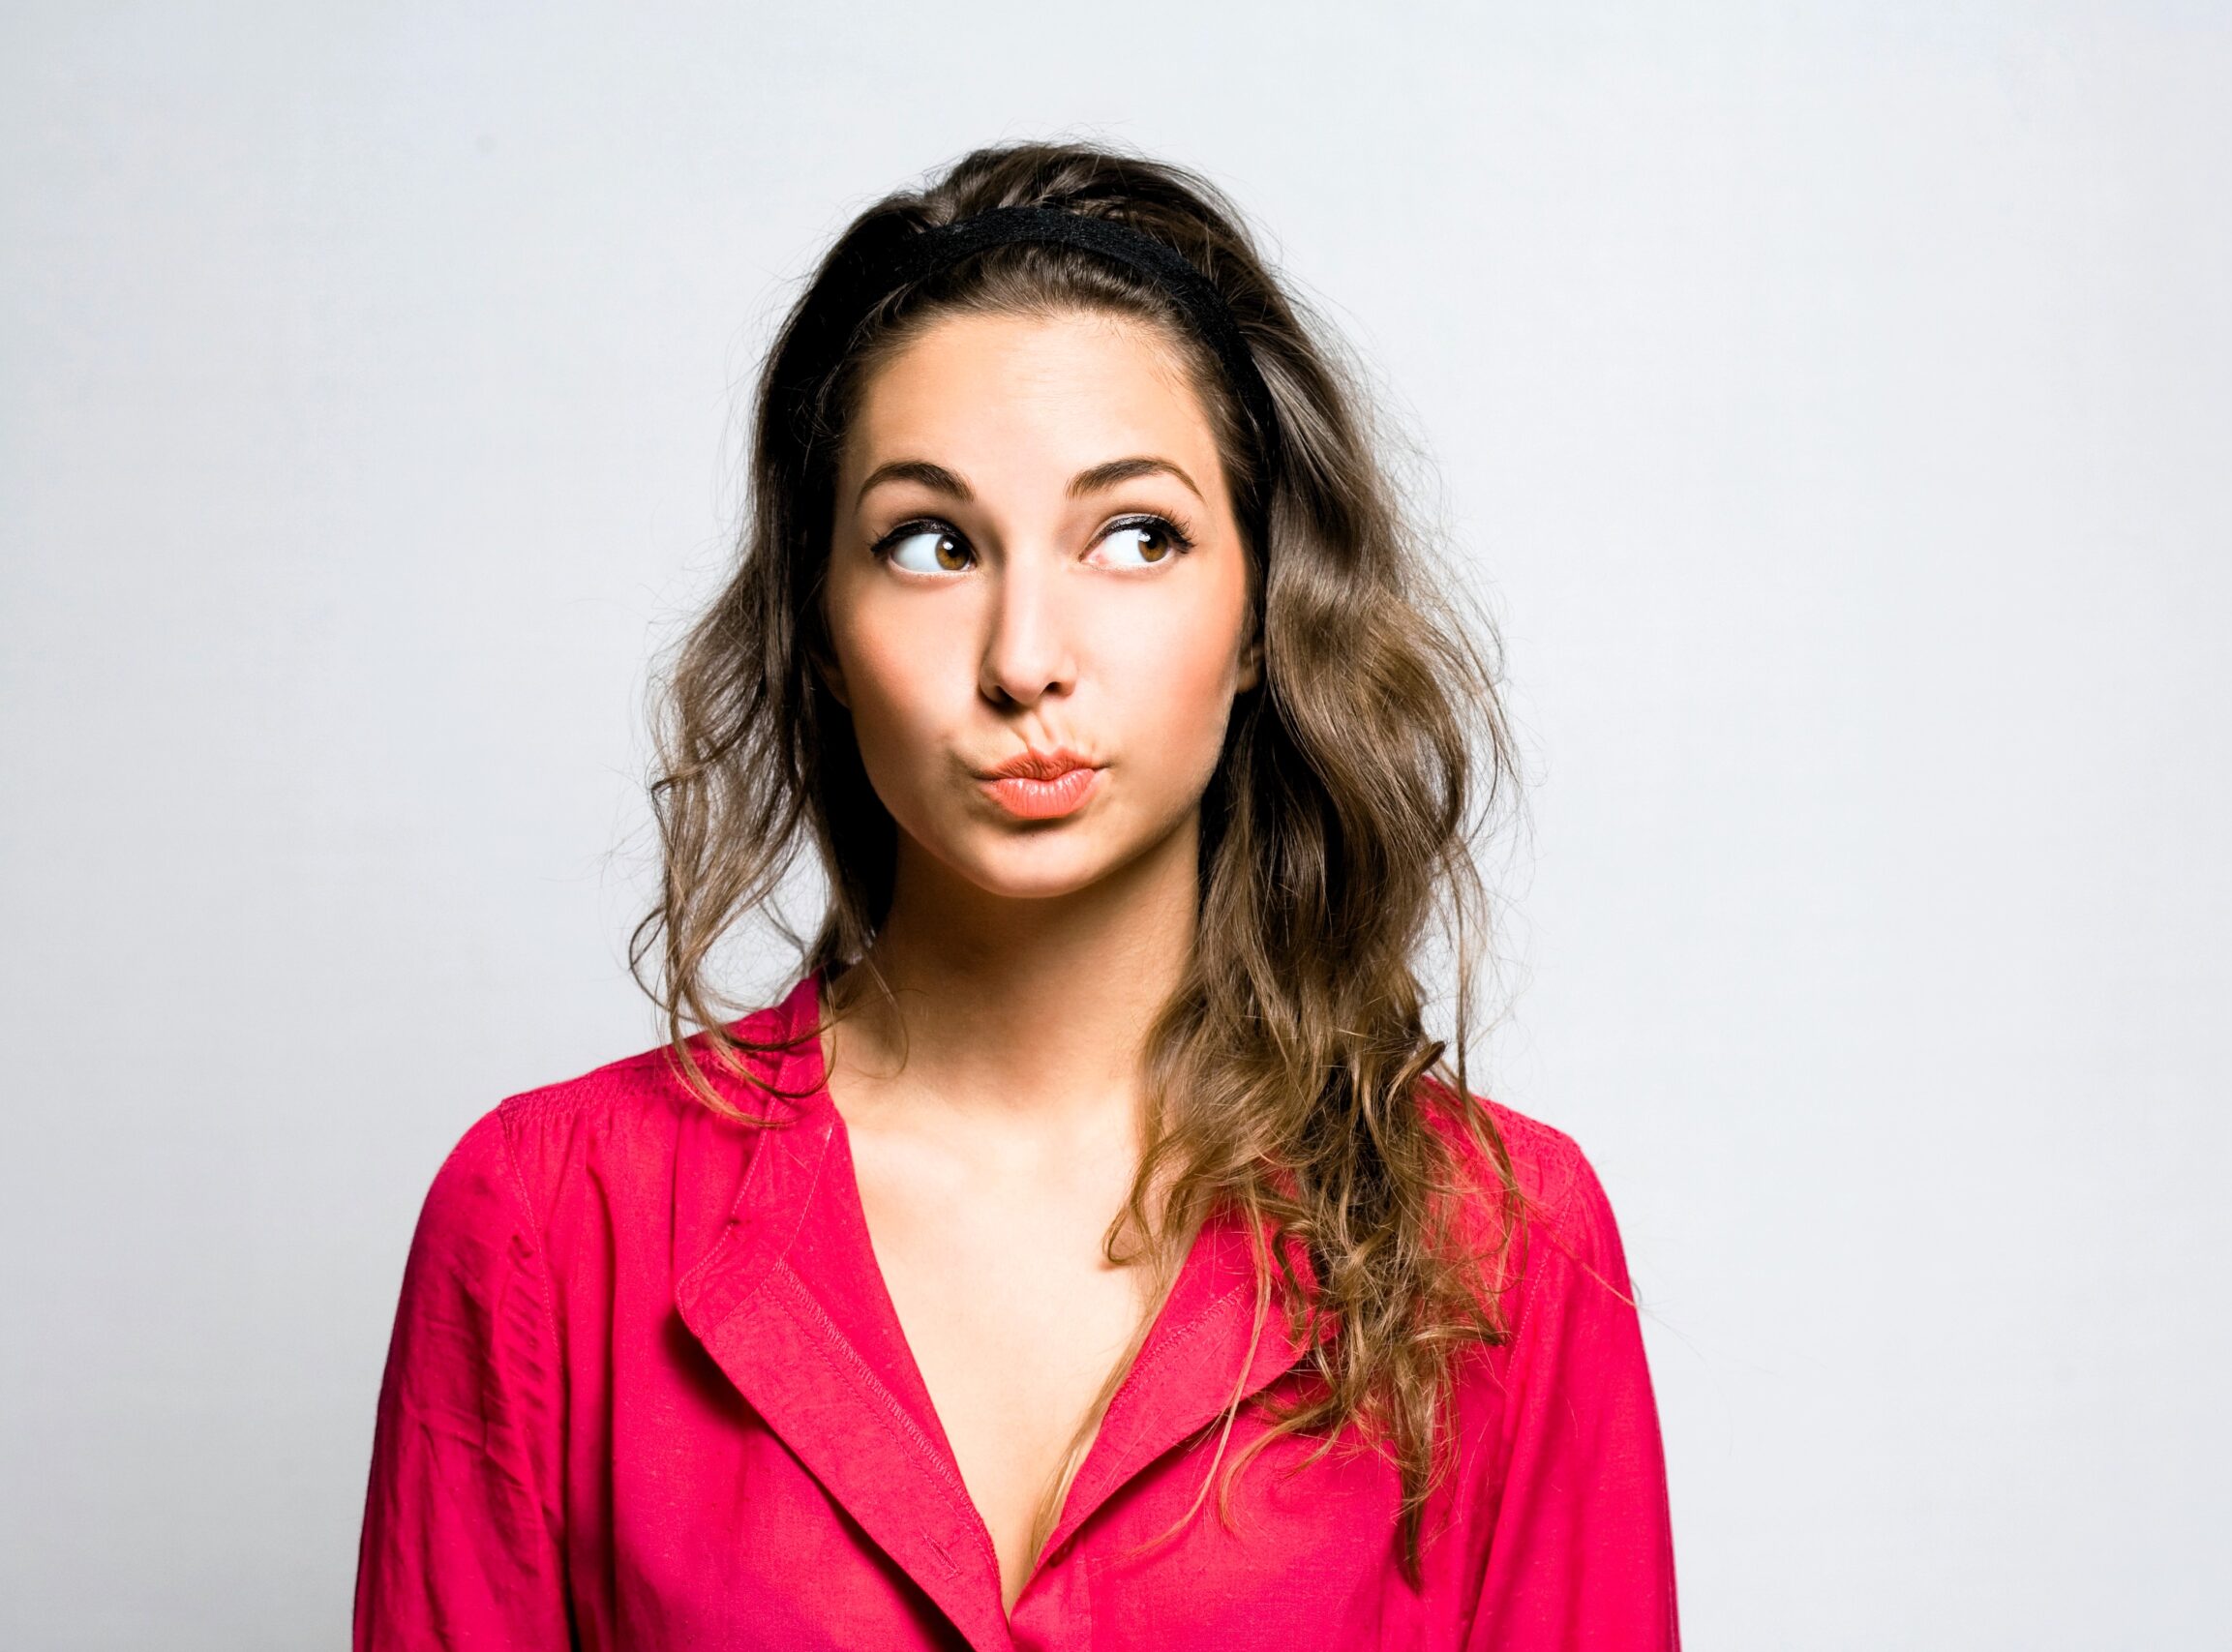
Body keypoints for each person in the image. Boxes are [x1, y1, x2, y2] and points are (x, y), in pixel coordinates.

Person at [353, 138, 1681, 1651]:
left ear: (1262, 614)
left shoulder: (1495, 1248)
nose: (1023, 656)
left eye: (1136, 536)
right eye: (931, 544)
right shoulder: (545, 1224)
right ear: (823, 629)